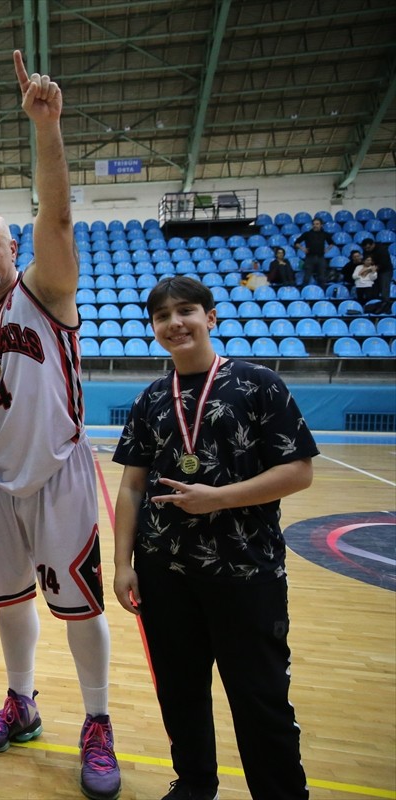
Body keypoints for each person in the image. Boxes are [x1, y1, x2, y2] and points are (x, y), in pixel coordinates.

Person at [0, 50, 120, 800]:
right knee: (9, 603)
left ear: (14, 249)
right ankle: (21, 703)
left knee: (78, 606)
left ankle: (99, 722)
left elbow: (60, 214)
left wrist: (47, 129)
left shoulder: (46, 289)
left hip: (60, 472)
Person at [112, 275, 316, 800]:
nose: (175, 323)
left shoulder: (258, 383)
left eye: (186, 311)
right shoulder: (151, 398)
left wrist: (216, 498)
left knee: (260, 694)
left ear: (211, 317)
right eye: (162, 316)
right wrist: (122, 563)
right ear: (154, 328)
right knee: (180, 692)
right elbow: (132, 487)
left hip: (246, 571)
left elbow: (297, 471)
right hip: (165, 573)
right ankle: (196, 784)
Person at [293, 218, 332, 287]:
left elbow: (331, 243)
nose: (315, 225)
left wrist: (327, 249)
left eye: (317, 224)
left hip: (321, 258)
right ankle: (304, 293)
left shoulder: (325, 234)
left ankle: (322, 294)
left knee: (322, 278)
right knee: (306, 278)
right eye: (314, 224)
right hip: (309, 258)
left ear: (321, 225)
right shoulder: (307, 234)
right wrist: (302, 248)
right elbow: (296, 243)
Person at [361, 238, 392, 312]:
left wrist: (375, 268)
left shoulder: (382, 250)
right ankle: (374, 307)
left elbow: (384, 263)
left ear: (373, 245)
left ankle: (386, 307)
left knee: (384, 289)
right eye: (365, 248)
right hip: (373, 271)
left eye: (368, 248)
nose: (367, 249)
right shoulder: (366, 251)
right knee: (373, 290)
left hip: (385, 270)